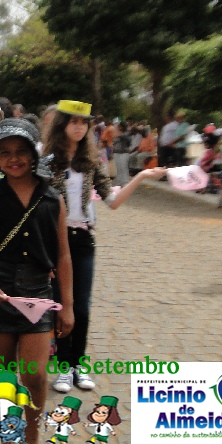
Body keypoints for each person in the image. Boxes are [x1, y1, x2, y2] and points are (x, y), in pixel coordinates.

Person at [0, 117, 74, 444]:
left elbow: (63, 256)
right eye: (5, 152)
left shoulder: (53, 200)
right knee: (5, 375)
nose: (14, 159)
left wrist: (68, 306)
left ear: (34, 155)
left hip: (38, 295)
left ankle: (32, 439)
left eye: (21, 151)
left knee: (35, 374)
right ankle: (9, 440)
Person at [43, 100, 166, 394]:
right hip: (54, 241)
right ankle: (63, 366)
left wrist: (141, 177)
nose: (79, 127)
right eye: (73, 122)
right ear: (62, 125)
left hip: (83, 239)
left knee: (82, 307)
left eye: (83, 123)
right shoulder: (47, 161)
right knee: (60, 304)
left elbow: (112, 201)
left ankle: (77, 364)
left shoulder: (92, 161)